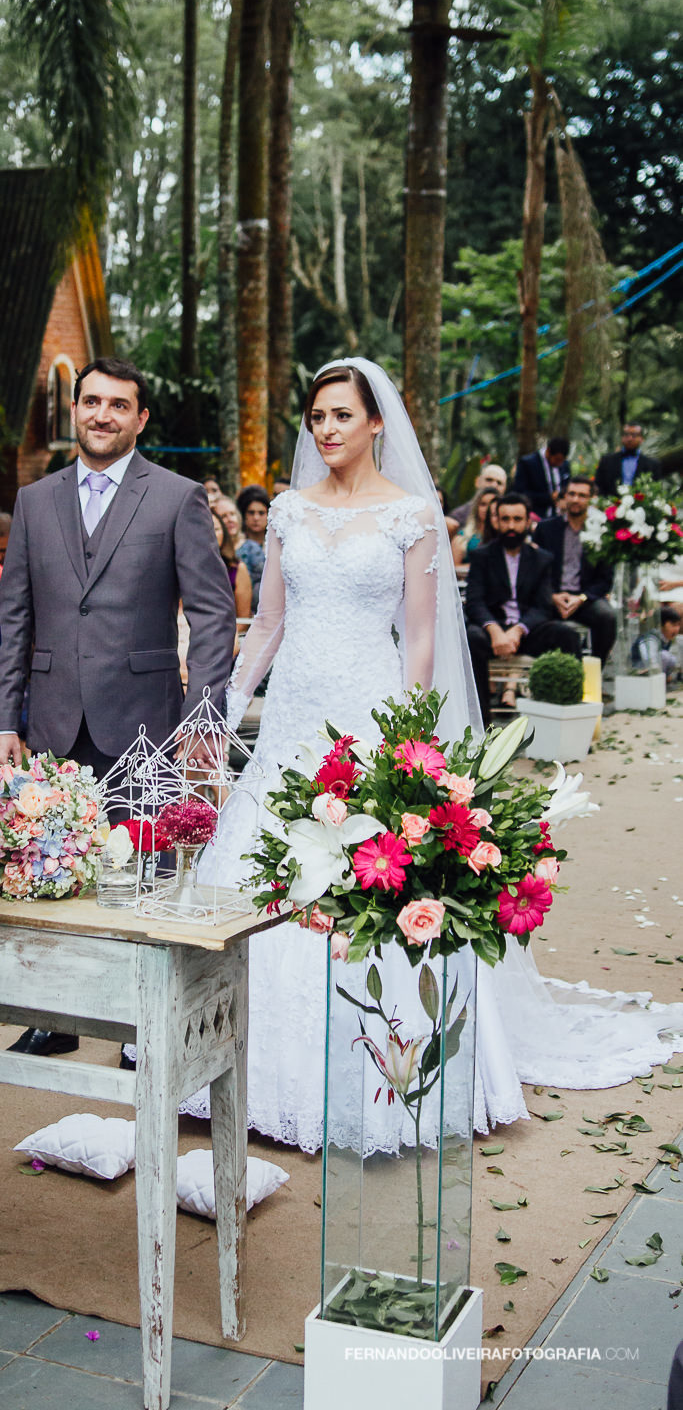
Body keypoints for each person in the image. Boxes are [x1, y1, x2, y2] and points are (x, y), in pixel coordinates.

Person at [186, 358, 683, 1154]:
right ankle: (230, 1064)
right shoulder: (285, 511)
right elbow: (269, 623)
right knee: (261, 870)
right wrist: (220, 708)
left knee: (363, 881)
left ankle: (380, 1072)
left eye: (341, 416)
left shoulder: (413, 515)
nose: (326, 430)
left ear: (376, 422)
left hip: (367, 711)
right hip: (289, 719)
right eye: (316, 417)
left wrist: (402, 739)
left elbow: (419, 636)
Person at [0, 357, 236, 1056]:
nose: (102, 415)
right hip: (51, 719)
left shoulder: (177, 498)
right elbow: (14, 620)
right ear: (74, 409)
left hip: (145, 720)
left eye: (118, 405)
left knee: (146, 874)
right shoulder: (35, 502)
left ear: (140, 418)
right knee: (55, 864)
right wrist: (1, 717)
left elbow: (213, 617)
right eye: (91, 401)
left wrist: (201, 723)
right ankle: (56, 1016)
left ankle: (140, 1030)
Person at [464, 493, 583, 723]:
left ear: (528, 522)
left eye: (517, 519)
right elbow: (475, 601)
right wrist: (495, 630)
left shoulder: (542, 559)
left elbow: (543, 606)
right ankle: (481, 725)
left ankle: (568, 715)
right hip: (491, 634)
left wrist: (518, 630)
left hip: (527, 632)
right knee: (471, 637)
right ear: (496, 521)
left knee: (566, 635)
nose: (511, 526)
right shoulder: (481, 556)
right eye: (505, 519)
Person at [534, 476, 616, 665]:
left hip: (584, 598)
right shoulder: (546, 528)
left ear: (590, 499)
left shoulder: (602, 531)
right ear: (564, 496)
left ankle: (594, 673)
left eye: (582, 495)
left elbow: (606, 579)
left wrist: (581, 599)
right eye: (571, 494)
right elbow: (535, 571)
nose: (576, 499)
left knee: (607, 617)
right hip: (550, 596)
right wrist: (552, 595)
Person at [595, 421, 661, 495]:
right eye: (626, 435)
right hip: (610, 505)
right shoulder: (606, 460)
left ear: (641, 439)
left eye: (634, 435)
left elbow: (655, 489)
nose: (629, 438)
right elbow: (598, 486)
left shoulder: (652, 464)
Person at [513, 435, 571, 520]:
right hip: (536, 515)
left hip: (560, 517)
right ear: (548, 452)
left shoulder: (564, 464)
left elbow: (567, 486)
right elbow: (520, 493)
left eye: (562, 461)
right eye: (557, 459)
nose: (559, 464)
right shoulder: (527, 463)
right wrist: (548, 497)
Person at [213, 510, 252, 623]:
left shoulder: (237, 569)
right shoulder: (187, 569)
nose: (211, 534)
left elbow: (243, 620)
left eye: (216, 529)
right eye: (205, 529)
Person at [236, 485, 269, 610]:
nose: (256, 518)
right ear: (244, 515)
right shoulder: (238, 545)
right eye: (251, 513)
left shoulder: (275, 544)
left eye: (261, 513)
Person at [451, 486, 500, 568]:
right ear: (476, 508)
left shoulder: (503, 536)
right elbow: (453, 569)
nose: (487, 509)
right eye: (483, 504)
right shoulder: (463, 537)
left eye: (491, 504)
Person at [632, 606, 682, 681]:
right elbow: (651, 663)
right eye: (673, 625)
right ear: (661, 624)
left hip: (655, 679)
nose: (677, 629)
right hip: (639, 678)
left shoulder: (667, 640)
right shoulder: (650, 639)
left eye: (678, 625)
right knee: (665, 656)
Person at [449, 462, 507, 526]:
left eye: (499, 483)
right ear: (477, 482)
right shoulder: (459, 516)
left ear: (505, 489)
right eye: (489, 480)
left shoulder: (508, 519)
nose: (494, 485)